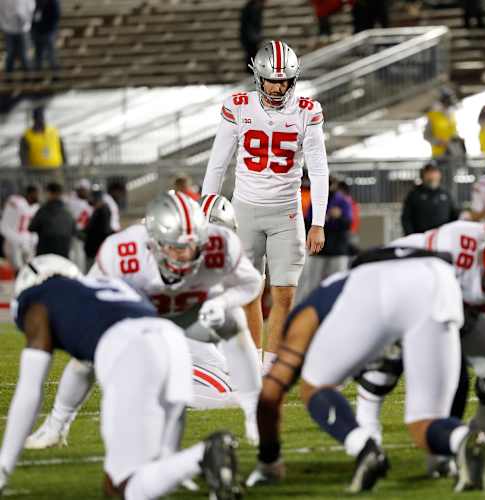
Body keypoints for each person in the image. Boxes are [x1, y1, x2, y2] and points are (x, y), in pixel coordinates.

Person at [25, 192, 264, 451]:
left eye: (192, 245)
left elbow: (251, 284)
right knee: (85, 359)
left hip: (189, 315)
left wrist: (222, 303)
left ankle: (255, 413)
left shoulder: (219, 244)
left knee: (233, 320)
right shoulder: (124, 253)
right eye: (176, 247)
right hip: (140, 314)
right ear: (154, 242)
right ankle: (56, 425)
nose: (185, 256)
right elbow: (92, 300)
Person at [246, 247, 485, 493]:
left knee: (314, 386)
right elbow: (457, 374)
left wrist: (269, 459)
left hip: (373, 289)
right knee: (424, 422)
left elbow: (270, 393)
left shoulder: (307, 314)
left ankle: (365, 448)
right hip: (439, 279)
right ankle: (462, 439)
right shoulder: (339, 291)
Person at [0, 254, 241, 499]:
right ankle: (207, 464)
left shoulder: (40, 298)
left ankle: (205, 454)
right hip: (172, 344)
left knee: (119, 487)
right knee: (159, 467)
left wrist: (4, 466)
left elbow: (30, 389)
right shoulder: (107, 286)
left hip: (130, 350)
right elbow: (82, 366)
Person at [354, 203, 485, 456]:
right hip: (400, 293)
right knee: (392, 354)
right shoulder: (455, 244)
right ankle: (367, 425)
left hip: (460, 312)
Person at [202, 40, 329, 374]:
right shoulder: (239, 105)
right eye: (272, 80)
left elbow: (318, 169)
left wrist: (318, 221)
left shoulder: (306, 110)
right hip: (245, 209)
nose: (277, 86)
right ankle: (251, 359)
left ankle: (270, 365)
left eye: (284, 80)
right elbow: (218, 162)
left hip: (286, 212)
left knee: (284, 293)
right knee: (248, 291)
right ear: (258, 77)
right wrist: (206, 206)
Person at [296, 176, 353, 303]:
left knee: (338, 284)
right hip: (318, 250)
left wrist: (337, 218)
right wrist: (328, 218)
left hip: (338, 250)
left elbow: (348, 223)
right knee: (313, 285)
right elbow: (309, 222)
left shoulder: (342, 202)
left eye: (330, 184)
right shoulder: (316, 201)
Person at [401, 163, 459, 235]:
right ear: (423, 175)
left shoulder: (446, 193)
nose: (432, 175)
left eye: (434, 172)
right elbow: (406, 218)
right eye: (429, 172)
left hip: (441, 237)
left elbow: (454, 215)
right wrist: (410, 236)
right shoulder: (414, 194)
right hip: (420, 238)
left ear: (439, 175)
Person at [28, 182, 75, 259]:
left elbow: (31, 228)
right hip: (64, 256)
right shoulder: (69, 212)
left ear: (49, 193)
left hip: (45, 256)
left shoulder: (43, 210)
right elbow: (74, 231)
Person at [20, 108, 67, 183]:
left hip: (55, 170)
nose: (40, 121)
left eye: (41, 118)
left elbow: (62, 149)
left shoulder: (54, 132)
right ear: (34, 119)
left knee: (55, 190)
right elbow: (24, 156)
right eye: (38, 118)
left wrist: (65, 166)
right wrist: (27, 171)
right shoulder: (27, 136)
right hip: (37, 172)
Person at [0, 184, 39, 271]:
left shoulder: (35, 207)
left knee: (30, 266)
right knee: (16, 267)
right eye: (36, 194)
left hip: (27, 241)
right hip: (14, 239)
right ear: (30, 193)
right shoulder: (17, 202)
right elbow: (5, 225)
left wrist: (34, 239)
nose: (37, 196)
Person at [424, 88, 465, 161]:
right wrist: (438, 142)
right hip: (440, 155)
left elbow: (453, 131)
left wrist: (458, 139)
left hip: (454, 153)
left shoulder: (451, 115)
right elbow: (426, 135)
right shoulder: (433, 116)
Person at [64, 179, 93, 272]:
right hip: (74, 233)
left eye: (84, 189)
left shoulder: (90, 203)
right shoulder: (71, 201)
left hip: (85, 234)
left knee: (82, 257)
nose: (82, 191)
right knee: (75, 256)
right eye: (80, 189)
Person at [0, 0, 34, 74]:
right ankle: (9, 74)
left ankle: (28, 74)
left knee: (24, 54)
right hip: (9, 29)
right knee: (10, 53)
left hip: (23, 29)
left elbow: (31, 9)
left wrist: (26, 19)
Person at [82, 187, 112, 271]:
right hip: (93, 250)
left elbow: (104, 231)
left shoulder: (104, 210)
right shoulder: (98, 210)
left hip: (96, 250)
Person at [31, 0, 60, 72]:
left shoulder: (53, 2)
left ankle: (55, 74)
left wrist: (49, 28)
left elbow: (55, 16)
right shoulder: (36, 1)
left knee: (51, 54)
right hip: (38, 31)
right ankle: (38, 73)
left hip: (48, 32)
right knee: (38, 54)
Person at [240, 0, 264, 74]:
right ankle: (251, 72)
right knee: (251, 55)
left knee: (253, 55)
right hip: (249, 38)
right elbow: (248, 25)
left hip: (252, 37)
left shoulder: (256, 8)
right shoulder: (251, 8)